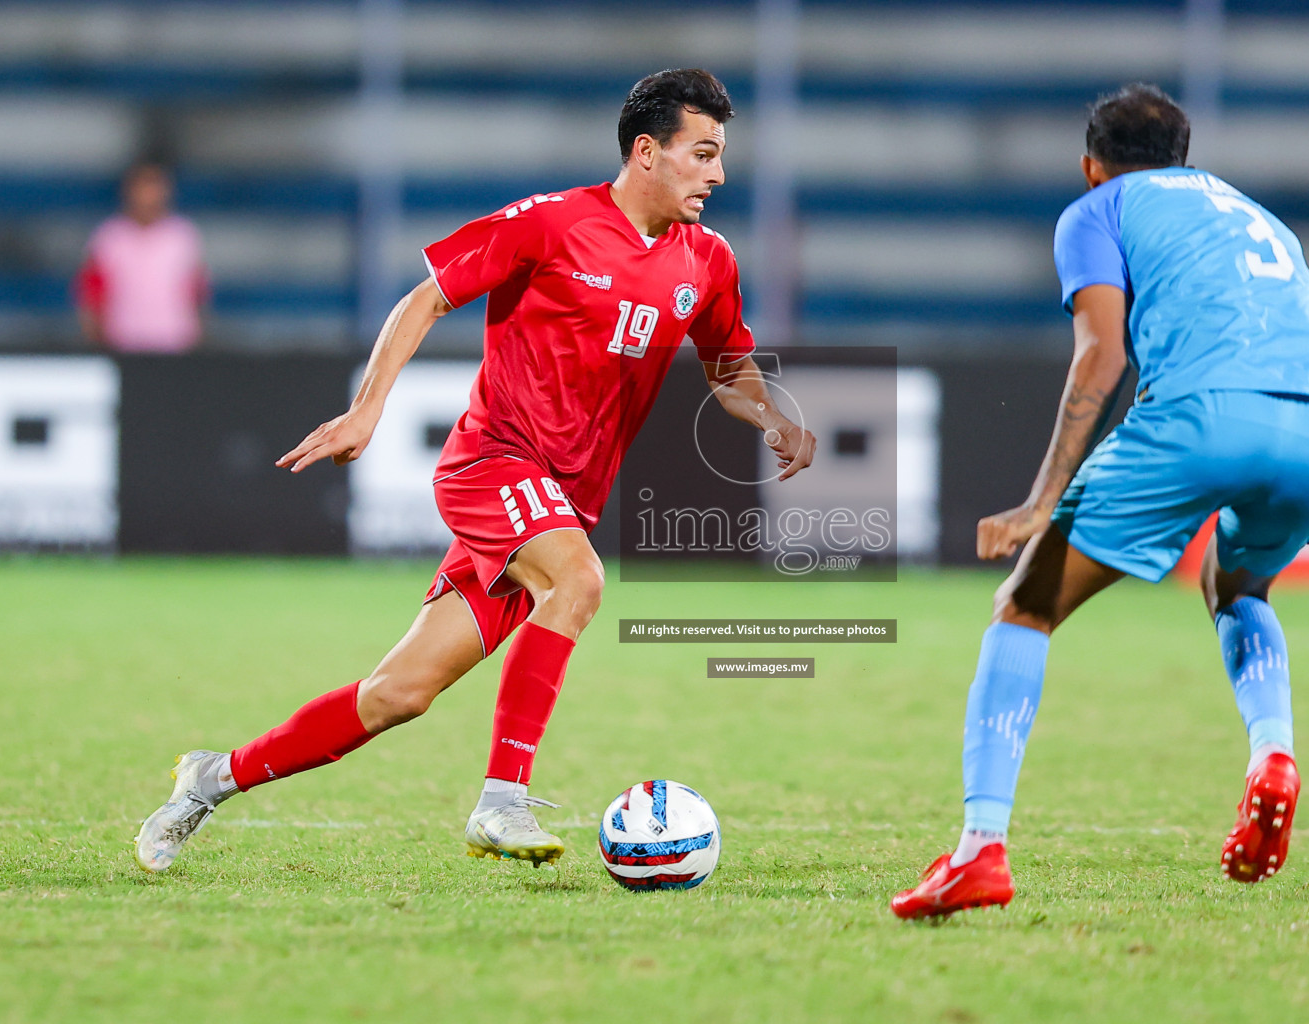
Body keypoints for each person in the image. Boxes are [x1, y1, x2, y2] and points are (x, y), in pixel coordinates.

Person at [135, 68, 816, 873]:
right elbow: (424, 299)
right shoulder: (551, 224)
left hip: (560, 500)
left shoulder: (706, 260)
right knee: (582, 583)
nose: (719, 174)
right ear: (646, 152)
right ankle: (503, 800)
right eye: (702, 154)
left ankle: (210, 779)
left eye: (720, 156)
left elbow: (726, 367)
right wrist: (366, 409)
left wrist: (772, 415)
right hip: (492, 466)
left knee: (398, 694)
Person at [891, 83, 1309, 919]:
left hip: (1204, 416)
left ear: (1091, 166)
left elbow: (1102, 353)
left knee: (1024, 607)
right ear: (1185, 157)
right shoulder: (1253, 213)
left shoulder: (1100, 208)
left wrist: (1042, 499)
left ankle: (980, 850)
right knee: (1238, 586)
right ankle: (1274, 753)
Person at [75, 162, 209, 353]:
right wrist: (97, 340)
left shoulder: (182, 236)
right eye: (142, 186)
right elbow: (93, 295)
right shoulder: (109, 237)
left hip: (174, 342)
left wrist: (198, 336)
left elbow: (197, 294)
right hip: (123, 343)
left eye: (154, 185)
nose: (148, 194)